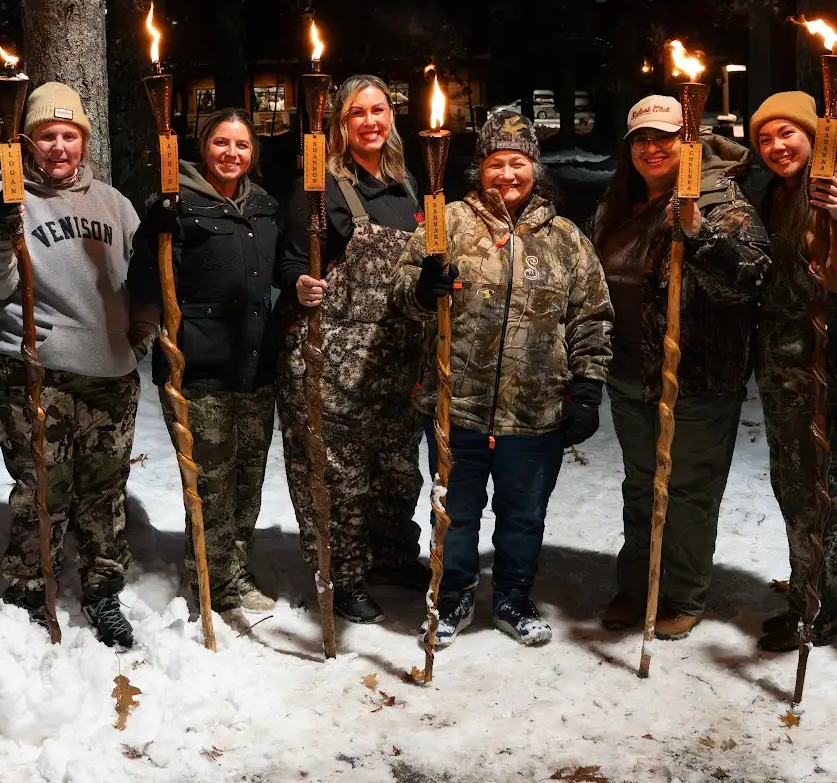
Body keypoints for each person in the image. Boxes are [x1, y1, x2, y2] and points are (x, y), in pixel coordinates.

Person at [391, 109, 612, 647]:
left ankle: (513, 594)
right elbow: (402, 294)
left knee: (523, 516)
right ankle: (454, 595)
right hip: (457, 407)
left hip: (537, 412)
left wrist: (587, 386)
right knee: (457, 514)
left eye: (518, 164)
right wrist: (423, 289)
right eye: (495, 163)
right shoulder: (448, 223)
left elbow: (592, 315)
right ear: (479, 169)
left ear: (535, 169)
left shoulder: (565, 238)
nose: (506, 175)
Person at [0, 82, 143, 649]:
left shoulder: (114, 204)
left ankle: (103, 591)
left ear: (83, 141)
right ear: (28, 143)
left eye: (69, 135)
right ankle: (28, 593)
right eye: (47, 136)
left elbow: (138, 281)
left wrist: (144, 328)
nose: (59, 146)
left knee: (104, 491)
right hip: (32, 371)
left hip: (110, 373)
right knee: (43, 489)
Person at [591, 96, 771, 640]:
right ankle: (638, 580)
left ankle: (683, 590)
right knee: (642, 484)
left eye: (665, 138)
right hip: (629, 373)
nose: (652, 148)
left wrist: (698, 232)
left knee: (688, 488)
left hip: (697, 378)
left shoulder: (722, 203)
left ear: (686, 144)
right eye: (641, 139)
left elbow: (749, 279)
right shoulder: (615, 204)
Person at [276, 74, 424, 625]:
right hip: (332, 360)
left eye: (379, 110)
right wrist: (300, 284)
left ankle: (391, 557)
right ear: (340, 124)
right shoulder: (321, 188)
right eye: (357, 113)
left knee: (396, 471)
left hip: (395, 359)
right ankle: (342, 575)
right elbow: (290, 260)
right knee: (339, 477)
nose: (370, 122)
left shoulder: (408, 186)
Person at [128, 108, 283, 619]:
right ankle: (211, 579)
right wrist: (154, 234)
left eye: (241, 145)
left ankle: (233, 570)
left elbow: (281, 267)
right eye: (221, 143)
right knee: (211, 482)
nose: (231, 154)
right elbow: (144, 277)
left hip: (255, 363)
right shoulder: (174, 205)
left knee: (248, 479)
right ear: (202, 146)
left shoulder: (262, 205)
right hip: (199, 366)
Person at [747, 92, 837, 652]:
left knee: (815, 490)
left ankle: (820, 611)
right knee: (793, 485)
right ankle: (808, 587)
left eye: (788, 134)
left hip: (825, 360)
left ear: (813, 136)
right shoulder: (778, 191)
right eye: (765, 139)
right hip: (784, 363)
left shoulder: (834, 189)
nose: (776, 146)